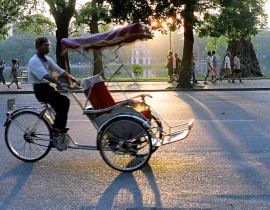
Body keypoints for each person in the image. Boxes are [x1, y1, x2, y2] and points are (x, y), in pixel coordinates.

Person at [28, 36, 76, 151]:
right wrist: (60, 83)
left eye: (49, 45)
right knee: (64, 101)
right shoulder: (34, 61)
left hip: (47, 88)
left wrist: (73, 79)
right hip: (40, 89)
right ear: (38, 46)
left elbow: (59, 70)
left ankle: (58, 129)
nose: (48, 47)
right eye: (46, 45)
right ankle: (57, 130)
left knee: (64, 102)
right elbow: (46, 75)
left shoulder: (46, 59)